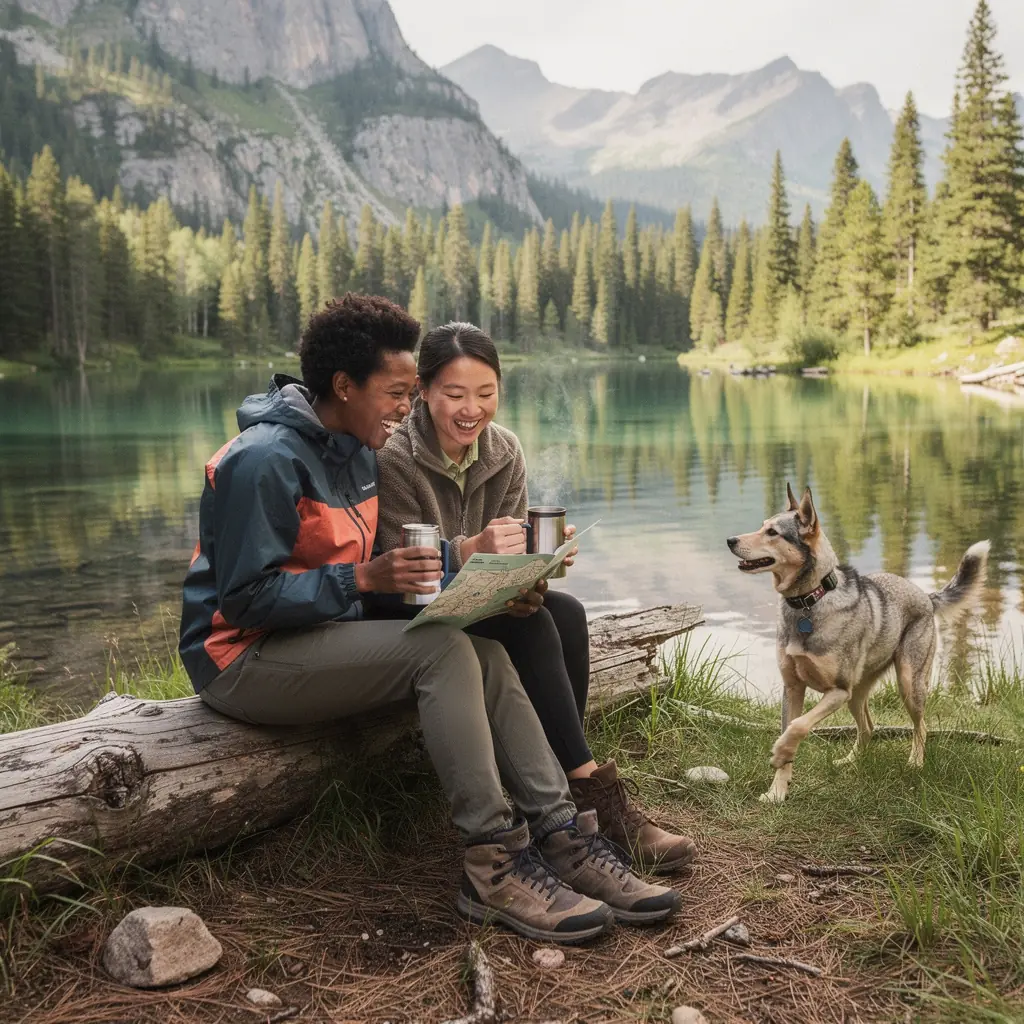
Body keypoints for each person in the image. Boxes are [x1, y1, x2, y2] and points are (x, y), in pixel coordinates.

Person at [178, 294, 680, 944]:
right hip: (242, 658)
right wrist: (362, 578)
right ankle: (492, 863)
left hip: (317, 634)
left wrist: (474, 567)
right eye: (395, 391)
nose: (404, 405)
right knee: (442, 653)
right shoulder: (264, 461)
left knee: (489, 655)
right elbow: (243, 600)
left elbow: (391, 575)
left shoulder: (354, 449)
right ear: (343, 386)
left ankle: (563, 836)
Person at [376, 321, 697, 874]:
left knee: (563, 611)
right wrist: (474, 554)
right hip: (407, 610)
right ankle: (581, 797)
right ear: (424, 391)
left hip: (474, 600)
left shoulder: (505, 451)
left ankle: (567, 791)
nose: (470, 410)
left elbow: (510, 554)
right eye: (453, 394)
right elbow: (404, 573)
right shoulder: (394, 458)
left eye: (485, 393)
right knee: (535, 626)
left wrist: (531, 578)